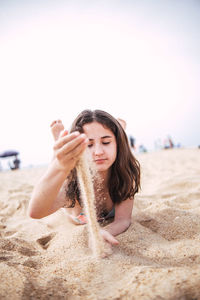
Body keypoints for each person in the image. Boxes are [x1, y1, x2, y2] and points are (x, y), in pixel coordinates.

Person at [28, 110, 140, 248]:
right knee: (60, 161)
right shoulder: (71, 184)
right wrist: (59, 166)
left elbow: (123, 220)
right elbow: (35, 211)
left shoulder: (124, 175)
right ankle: (61, 142)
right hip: (76, 207)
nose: (98, 152)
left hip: (118, 152)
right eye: (88, 145)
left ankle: (120, 129)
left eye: (106, 142)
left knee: (121, 139)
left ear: (116, 144)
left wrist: (103, 232)